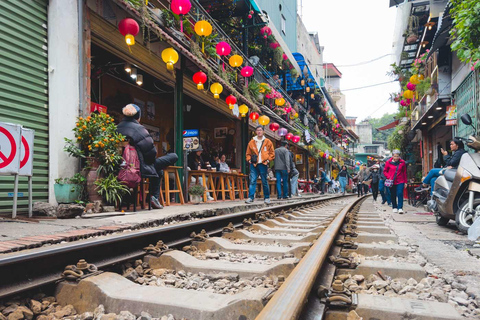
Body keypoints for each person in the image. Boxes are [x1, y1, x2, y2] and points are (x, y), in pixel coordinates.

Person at [117, 104, 178, 209]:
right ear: (138, 117)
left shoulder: (117, 127)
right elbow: (151, 153)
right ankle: (153, 197)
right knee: (172, 157)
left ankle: (154, 197)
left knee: (158, 170)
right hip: (138, 167)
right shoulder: (139, 129)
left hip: (120, 166)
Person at [245, 126, 275, 204]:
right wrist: (249, 160)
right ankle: (250, 197)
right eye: (257, 130)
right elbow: (248, 153)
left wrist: (268, 160)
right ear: (256, 132)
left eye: (260, 130)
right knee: (252, 180)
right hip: (254, 164)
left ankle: (267, 197)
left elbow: (272, 153)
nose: (259, 132)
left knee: (264, 181)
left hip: (263, 164)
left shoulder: (268, 141)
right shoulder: (251, 142)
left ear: (263, 131)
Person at [383, 149, 407, 214]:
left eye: (397, 156)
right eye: (395, 156)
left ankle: (400, 208)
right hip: (392, 181)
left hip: (400, 180)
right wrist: (388, 177)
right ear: (392, 156)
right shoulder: (388, 162)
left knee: (400, 193)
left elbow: (404, 172)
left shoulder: (402, 162)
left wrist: (405, 182)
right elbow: (385, 171)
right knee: (393, 194)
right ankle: (394, 207)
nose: (396, 158)